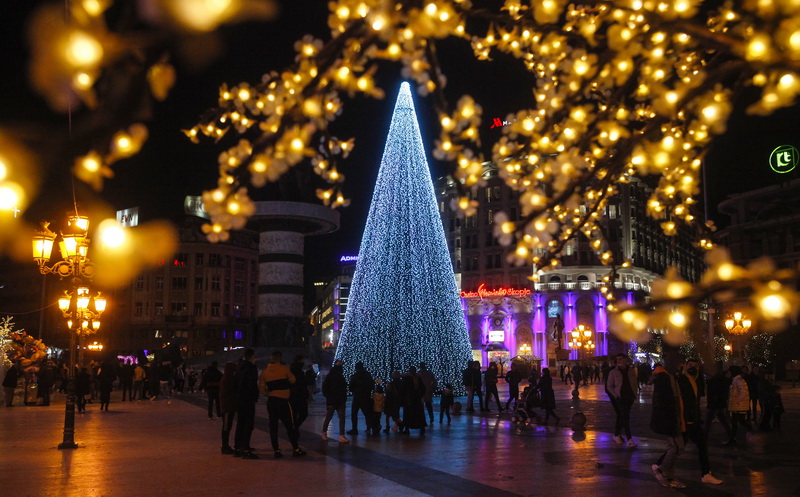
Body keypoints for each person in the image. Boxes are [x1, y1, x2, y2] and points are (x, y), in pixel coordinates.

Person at [676, 358, 723, 485]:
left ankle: (706, 473)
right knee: (678, 448)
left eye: (696, 366)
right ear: (685, 366)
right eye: (690, 365)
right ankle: (660, 465)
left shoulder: (696, 380)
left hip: (693, 419)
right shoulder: (682, 380)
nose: (693, 367)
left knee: (697, 445)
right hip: (687, 420)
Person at [259, 350, 305, 458]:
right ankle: (296, 448)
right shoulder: (285, 369)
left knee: (273, 426)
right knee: (290, 425)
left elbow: (261, 389)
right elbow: (293, 380)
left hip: (272, 401)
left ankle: (276, 450)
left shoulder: (264, 372)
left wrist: (269, 393)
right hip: (283, 401)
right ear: (279, 358)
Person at [650, 362, 686, 488]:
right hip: (671, 418)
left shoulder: (669, 375)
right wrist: (671, 419)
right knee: (677, 447)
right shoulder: (663, 377)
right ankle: (661, 470)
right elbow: (662, 401)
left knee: (674, 446)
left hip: (674, 417)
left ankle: (670, 477)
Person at [607, 353, 639, 447]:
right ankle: (629, 439)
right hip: (620, 398)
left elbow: (635, 383)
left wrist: (634, 394)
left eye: (620, 359)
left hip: (630, 397)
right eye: (617, 359)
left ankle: (616, 434)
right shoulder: (613, 372)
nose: (619, 361)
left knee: (623, 416)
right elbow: (609, 386)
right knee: (625, 416)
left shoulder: (631, 371)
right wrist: (616, 396)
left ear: (626, 360)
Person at [234, 349, 259, 459]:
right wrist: (254, 395)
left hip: (240, 398)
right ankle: (245, 449)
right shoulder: (250, 368)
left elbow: (235, 383)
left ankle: (239, 447)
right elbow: (251, 384)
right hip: (248, 399)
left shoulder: (239, 367)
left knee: (241, 422)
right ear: (251, 356)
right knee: (248, 424)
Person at [704, 367, 733, 443]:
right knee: (721, 421)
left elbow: (712, 394)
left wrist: (711, 404)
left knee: (708, 422)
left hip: (715, 405)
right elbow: (718, 394)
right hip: (718, 404)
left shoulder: (715, 381)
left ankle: (704, 437)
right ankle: (731, 436)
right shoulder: (721, 381)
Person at [321, 363, 349, 443]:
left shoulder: (330, 376)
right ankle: (341, 435)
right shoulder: (340, 377)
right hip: (338, 400)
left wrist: (328, 396)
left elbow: (324, 388)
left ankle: (325, 432)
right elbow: (343, 388)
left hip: (333, 400)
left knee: (330, 417)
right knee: (340, 418)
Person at [348, 361, 374, 435]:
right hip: (366, 396)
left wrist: (354, 390)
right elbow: (372, 385)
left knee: (354, 413)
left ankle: (354, 429)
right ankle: (369, 428)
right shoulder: (367, 375)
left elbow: (351, 387)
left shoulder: (355, 376)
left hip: (357, 396)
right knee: (367, 413)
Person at [728, 365, 751, 446]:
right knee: (740, 421)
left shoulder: (738, 381)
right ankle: (752, 432)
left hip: (738, 406)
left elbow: (743, 393)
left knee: (735, 422)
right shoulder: (737, 380)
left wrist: (737, 401)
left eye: (730, 371)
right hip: (738, 406)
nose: (729, 373)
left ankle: (732, 439)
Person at [219, 362, 238, 454]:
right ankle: (225, 446)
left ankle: (225, 445)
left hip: (228, 406)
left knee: (227, 426)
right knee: (226, 427)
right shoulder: (228, 380)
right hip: (227, 407)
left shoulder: (227, 378)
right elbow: (229, 394)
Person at [401, 366, 427, 433]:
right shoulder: (417, 378)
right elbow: (423, 388)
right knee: (418, 414)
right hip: (416, 399)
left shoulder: (406, 378)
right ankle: (421, 427)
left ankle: (407, 428)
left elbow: (403, 389)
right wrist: (420, 395)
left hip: (409, 399)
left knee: (408, 414)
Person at [289, 355, 309, 432]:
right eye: (303, 360)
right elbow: (302, 384)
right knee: (303, 414)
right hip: (298, 396)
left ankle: (294, 429)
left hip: (294, 395)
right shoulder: (298, 372)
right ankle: (294, 429)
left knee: (295, 415)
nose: (304, 362)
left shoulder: (293, 370)